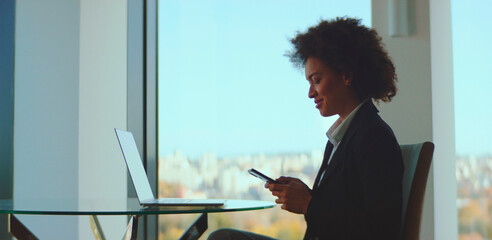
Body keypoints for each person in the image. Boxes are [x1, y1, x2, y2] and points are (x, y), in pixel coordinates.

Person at [208, 17, 403, 240]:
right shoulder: (344, 136)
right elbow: (344, 209)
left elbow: (381, 232)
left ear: (347, 75)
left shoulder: (374, 138)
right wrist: (307, 197)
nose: (310, 93)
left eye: (317, 80)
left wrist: (310, 204)